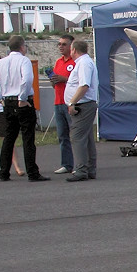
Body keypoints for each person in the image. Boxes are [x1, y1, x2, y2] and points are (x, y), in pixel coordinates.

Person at [0, 35, 48, 182]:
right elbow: (27, 80)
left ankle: (4, 171)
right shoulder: (23, 60)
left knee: (9, 137)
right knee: (28, 138)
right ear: (21, 47)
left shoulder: (1, 63)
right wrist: (22, 98)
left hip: (8, 102)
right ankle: (32, 172)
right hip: (22, 102)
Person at [64, 39, 99, 182]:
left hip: (83, 105)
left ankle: (81, 169)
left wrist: (72, 102)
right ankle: (89, 168)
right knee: (87, 138)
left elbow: (84, 85)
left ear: (74, 50)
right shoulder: (84, 63)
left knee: (77, 137)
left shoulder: (84, 64)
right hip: (84, 104)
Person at [49, 34, 77, 173]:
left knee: (76, 134)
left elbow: (79, 82)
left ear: (71, 46)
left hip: (70, 102)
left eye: (64, 44)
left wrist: (64, 79)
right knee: (62, 135)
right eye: (59, 44)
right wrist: (54, 81)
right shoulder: (59, 62)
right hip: (58, 101)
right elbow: (56, 81)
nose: (61, 46)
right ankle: (67, 164)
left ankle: (79, 164)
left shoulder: (75, 62)